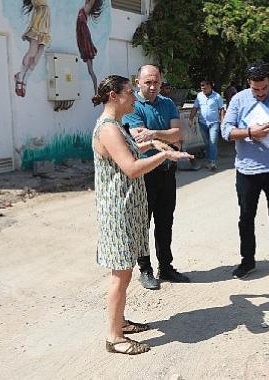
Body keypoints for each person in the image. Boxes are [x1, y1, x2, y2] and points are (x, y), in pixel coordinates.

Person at [91, 75, 192, 355]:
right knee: (120, 276)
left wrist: (154, 145)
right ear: (114, 96)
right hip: (118, 213)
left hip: (128, 209)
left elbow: (133, 149)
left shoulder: (116, 126)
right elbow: (131, 167)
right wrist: (166, 155)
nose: (134, 98)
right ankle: (114, 337)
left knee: (124, 272)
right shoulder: (109, 129)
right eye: (129, 93)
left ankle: (119, 322)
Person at [221, 61, 269, 284]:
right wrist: (249, 131)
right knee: (246, 217)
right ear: (249, 84)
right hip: (247, 171)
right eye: (256, 89)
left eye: (264, 88)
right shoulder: (238, 99)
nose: (261, 93)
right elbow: (226, 131)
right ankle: (248, 261)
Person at [122, 64, 190, 289]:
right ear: (138, 82)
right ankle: (145, 269)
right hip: (145, 173)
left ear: (161, 82)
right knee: (143, 222)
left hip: (167, 171)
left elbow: (179, 133)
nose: (152, 86)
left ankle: (166, 267)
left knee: (165, 221)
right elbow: (140, 139)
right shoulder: (133, 106)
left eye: (156, 82)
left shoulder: (168, 103)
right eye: (147, 82)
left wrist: (155, 133)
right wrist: (168, 141)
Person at [14, 0, 51, 97]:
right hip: (39, 19)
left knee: (37, 58)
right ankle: (20, 76)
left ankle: (25, 79)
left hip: (45, 21)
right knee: (32, 52)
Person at [189, 80, 225, 170]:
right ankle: (209, 160)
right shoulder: (199, 96)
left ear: (210, 87)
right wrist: (190, 119)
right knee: (207, 143)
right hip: (202, 123)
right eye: (202, 88)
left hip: (214, 123)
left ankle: (212, 162)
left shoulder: (217, 96)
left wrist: (223, 121)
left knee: (213, 142)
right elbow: (195, 107)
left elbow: (221, 109)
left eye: (205, 88)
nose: (203, 89)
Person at [76, 0, 103, 94]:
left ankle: (96, 91)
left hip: (86, 45)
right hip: (85, 45)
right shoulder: (84, 12)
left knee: (91, 71)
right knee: (90, 71)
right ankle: (96, 91)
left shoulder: (85, 11)